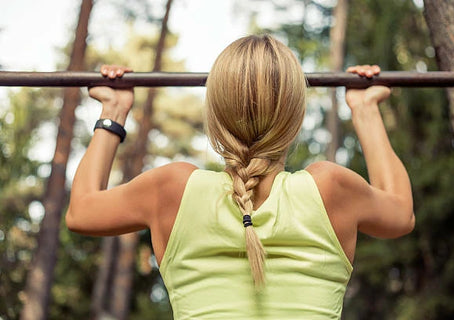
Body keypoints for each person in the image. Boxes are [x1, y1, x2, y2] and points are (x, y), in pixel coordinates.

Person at [66, 34, 414, 319]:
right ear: (294, 118)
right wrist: (365, 110)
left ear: (214, 114)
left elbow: (80, 211)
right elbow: (401, 213)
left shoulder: (172, 189)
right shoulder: (332, 188)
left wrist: (113, 110)